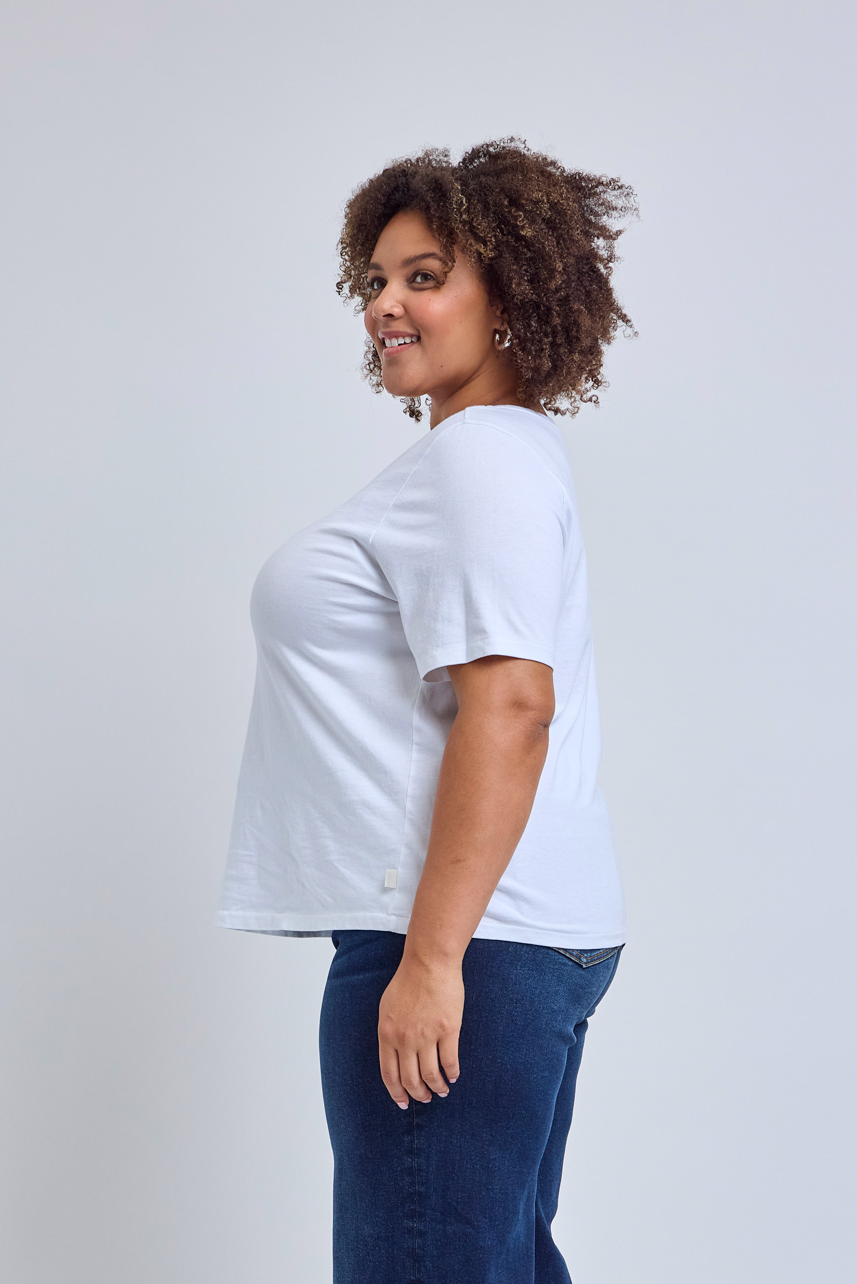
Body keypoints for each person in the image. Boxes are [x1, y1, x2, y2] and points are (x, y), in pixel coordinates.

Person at [215, 137, 638, 1283]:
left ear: (512, 294)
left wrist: (431, 960)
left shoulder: (479, 460)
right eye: (375, 279)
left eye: (424, 276)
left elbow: (513, 707)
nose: (382, 306)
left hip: (462, 940)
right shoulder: (493, 457)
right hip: (507, 936)